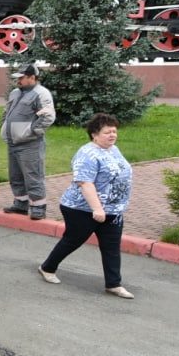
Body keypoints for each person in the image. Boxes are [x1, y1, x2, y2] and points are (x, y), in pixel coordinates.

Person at [39, 113, 135, 298]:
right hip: (81, 208)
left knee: (111, 247)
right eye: (107, 132)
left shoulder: (113, 149)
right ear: (94, 134)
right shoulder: (87, 153)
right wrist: (97, 208)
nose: (112, 135)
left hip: (112, 210)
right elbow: (85, 182)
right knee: (73, 240)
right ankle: (47, 268)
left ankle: (114, 284)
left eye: (114, 131)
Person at [1, 63, 57, 219]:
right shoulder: (15, 93)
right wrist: (4, 126)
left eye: (22, 77)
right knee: (16, 176)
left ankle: (38, 207)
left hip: (29, 143)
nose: (18, 80)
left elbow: (48, 117)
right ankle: (20, 204)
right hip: (13, 141)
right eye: (17, 77)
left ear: (33, 78)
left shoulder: (41, 94)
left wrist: (32, 132)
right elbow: (7, 113)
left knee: (33, 176)